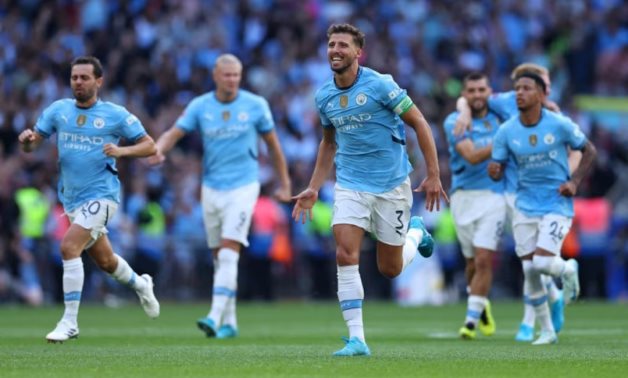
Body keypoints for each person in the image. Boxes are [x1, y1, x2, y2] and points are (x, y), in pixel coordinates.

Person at [292, 24, 446, 357]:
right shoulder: (324, 97)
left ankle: (415, 234)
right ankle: (357, 339)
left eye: (343, 45)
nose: (335, 49)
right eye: (331, 44)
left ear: (358, 52)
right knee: (345, 254)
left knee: (389, 269)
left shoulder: (380, 85)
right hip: (349, 184)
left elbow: (419, 123)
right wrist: (313, 187)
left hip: (392, 185)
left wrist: (433, 174)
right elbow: (328, 143)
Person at [17, 56, 160, 343]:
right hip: (71, 199)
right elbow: (34, 145)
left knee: (69, 247)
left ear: (99, 81)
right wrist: (27, 141)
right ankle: (142, 285)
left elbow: (149, 145)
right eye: (74, 78)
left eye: (84, 77)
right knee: (106, 262)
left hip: (102, 196)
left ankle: (69, 322)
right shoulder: (58, 110)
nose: (78, 83)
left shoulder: (116, 114)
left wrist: (122, 152)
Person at [149, 54, 291, 339]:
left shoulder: (255, 105)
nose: (232, 80)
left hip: (243, 186)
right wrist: (159, 149)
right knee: (220, 257)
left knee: (228, 251)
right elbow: (174, 132)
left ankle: (214, 316)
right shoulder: (201, 106)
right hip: (211, 188)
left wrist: (284, 183)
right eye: (227, 75)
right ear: (216, 76)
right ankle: (231, 322)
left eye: (236, 75)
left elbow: (274, 147)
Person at [455, 63, 577, 341]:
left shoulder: (554, 115)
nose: (542, 88)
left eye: (544, 83)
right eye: (535, 83)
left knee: (537, 260)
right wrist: (463, 109)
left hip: (544, 196)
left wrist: (568, 177)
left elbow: (578, 149)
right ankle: (552, 299)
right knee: (529, 262)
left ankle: (530, 321)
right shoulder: (507, 102)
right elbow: (472, 95)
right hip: (510, 192)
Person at [488, 72, 597, 345]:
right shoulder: (506, 131)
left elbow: (589, 150)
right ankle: (547, 331)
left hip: (556, 203)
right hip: (524, 205)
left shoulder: (559, 124)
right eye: (517, 89)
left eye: (526, 88)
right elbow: (498, 168)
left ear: (541, 94)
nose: (519, 93)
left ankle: (568, 269)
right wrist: (495, 170)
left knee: (542, 262)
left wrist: (574, 181)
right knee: (530, 271)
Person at [443, 72, 505, 340]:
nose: (478, 95)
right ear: (464, 95)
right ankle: (481, 304)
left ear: (489, 92)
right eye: (472, 90)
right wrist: (506, 140)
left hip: (494, 196)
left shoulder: (500, 118)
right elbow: (471, 156)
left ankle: (469, 322)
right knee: (470, 262)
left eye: (482, 89)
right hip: (463, 197)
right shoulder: (454, 122)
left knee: (482, 258)